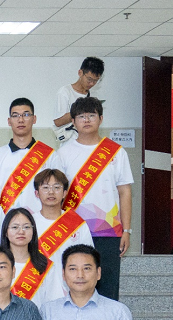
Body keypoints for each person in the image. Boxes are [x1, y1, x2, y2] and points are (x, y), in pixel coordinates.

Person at [57, 96, 133, 301]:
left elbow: (125, 191)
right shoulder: (63, 154)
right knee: (73, 285)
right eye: (81, 116)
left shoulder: (116, 152)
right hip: (73, 230)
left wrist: (126, 230)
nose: (86, 120)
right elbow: (57, 194)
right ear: (73, 122)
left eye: (91, 115)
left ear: (101, 119)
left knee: (108, 287)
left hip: (109, 230)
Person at [0, 98, 58, 213]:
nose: (21, 120)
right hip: (5, 221)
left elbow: (58, 193)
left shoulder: (50, 156)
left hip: (40, 221)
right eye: (15, 115)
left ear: (34, 119)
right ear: (9, 121)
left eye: (26, 115)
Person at [31, 169, 93, 262]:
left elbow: (88, 258)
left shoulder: (76, 223)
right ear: (37, 193)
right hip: (38, 272)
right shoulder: (29, 223)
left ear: (64, 193)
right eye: (45, 187)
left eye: (56, 187)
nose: (51, 192)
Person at [54, 57, 104, 146]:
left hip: (90, 142)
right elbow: (58, 122)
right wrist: (80, 110)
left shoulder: (93, 95)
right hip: (70, 143)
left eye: (96, 80)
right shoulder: (65, 92)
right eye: (89, 79)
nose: (92, 83)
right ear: (80, 73)